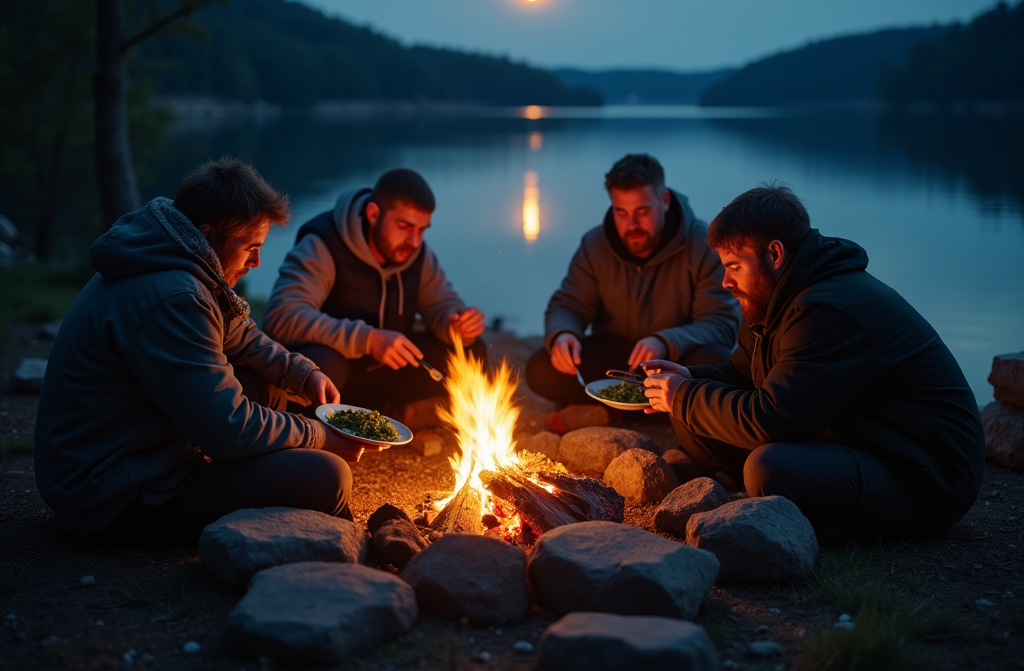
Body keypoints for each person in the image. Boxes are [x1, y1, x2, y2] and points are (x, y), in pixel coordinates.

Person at [35, 159, 375, 545]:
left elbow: (239, 333)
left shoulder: (174, 258)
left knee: (271, 386)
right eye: (251, 247)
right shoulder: (176, 296)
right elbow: (228, 428)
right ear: (208, 234)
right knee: (328, 477)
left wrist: (302, 373)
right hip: (109, 493)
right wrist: (319, 435)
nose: (257, 262)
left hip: (132, 450)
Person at [643, 182, 985, 542]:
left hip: (925, 475)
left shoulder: (827, 310)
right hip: (855, 441)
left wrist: (685, 395)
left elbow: (773, 420)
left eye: (734, 266)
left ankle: (812, 519)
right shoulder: (772, 300)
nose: (726, 281)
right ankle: (787, 497)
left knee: (767, 467)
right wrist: (686, 378)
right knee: (690, 414)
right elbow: (740, 374)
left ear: (774, 254)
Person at [525, 153, 739, 407]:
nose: (632, 224)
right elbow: (569, 304)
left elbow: (721, 323)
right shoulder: (595, 245)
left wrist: (666, 341)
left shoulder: (703, 245)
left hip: (676, 360)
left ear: (665, 200)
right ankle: (633, 408)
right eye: (621, 212)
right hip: (615, 358)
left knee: (718, 362)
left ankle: (656, 407)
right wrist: (563, 334)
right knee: (541, 369)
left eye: (642, 211)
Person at [263, 168, 486, 410]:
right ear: (373, 214)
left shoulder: (415, 253)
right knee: (321, 365)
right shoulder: (324, 244)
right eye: (404, 226)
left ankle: (400, 415)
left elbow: (440, 302)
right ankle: (321, 431)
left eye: (422, 230)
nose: (414, 240)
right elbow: (282, 316)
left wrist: (455, 323)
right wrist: (367, 339)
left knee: (472, 351)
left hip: (385, 375)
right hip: (338, 381)